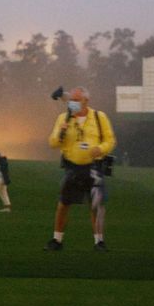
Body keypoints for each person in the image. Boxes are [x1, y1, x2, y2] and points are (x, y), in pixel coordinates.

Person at [44, 86, 116, 251]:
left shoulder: (99, 117)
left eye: (77, 100)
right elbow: (53, 143)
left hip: (94, 167)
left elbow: (110, 140)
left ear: (86, 101)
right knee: (63, 203)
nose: (73, 103)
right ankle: (57, 240)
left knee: (96, 205)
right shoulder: (64, 118)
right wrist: (60, 132)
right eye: (72, 100)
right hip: (72, 168)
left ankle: (99, 241)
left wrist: (101, 149)